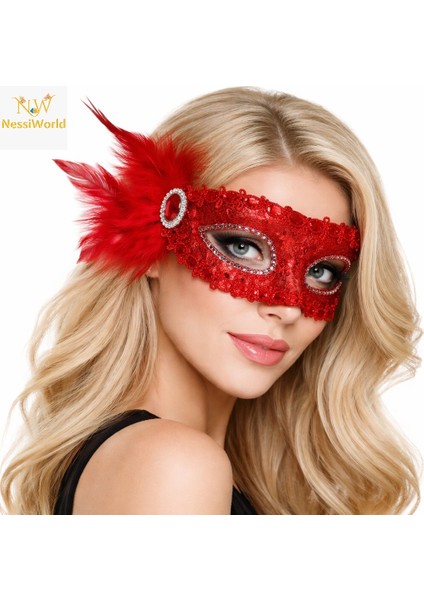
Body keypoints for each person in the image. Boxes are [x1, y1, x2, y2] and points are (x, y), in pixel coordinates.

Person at [0, 87, 421, 515]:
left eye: (321, 271)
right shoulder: (172, 465)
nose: (288, 308)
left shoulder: (193, 465)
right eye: (242, 246)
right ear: (151, 239)